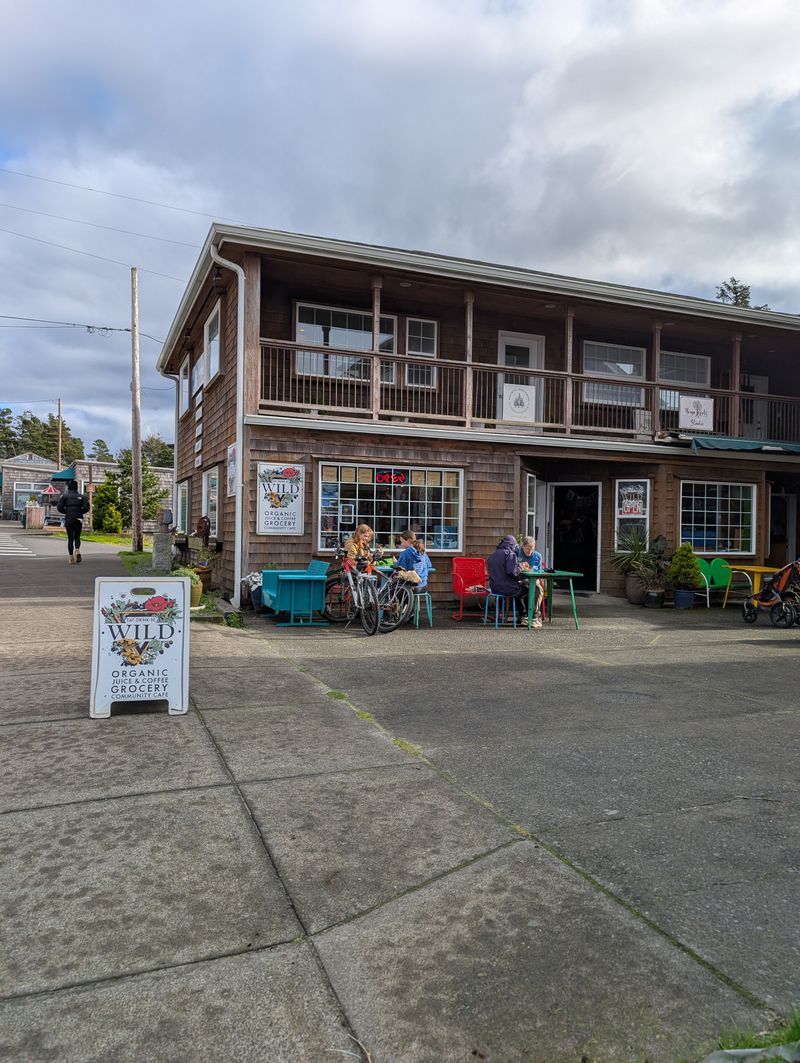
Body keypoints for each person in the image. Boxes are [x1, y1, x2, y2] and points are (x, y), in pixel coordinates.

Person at [486, 534, 527, 624]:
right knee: (528, 591)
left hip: (495, 589)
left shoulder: (493, 555)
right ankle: (526, 617)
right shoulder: (510, 554)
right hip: (507, 589)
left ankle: (520, 617)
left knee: (518, 590)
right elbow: (512, 572)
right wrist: (521, 567)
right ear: (512, 545)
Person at [56, 479, 90, 565]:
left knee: (70, 538)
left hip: (69, 518)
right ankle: (77, 550)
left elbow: (59, 508)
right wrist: (80, 512)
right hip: (78, 518)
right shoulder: (83, 497)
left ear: (68, 487)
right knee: (77, 536)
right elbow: (87, 508)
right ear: (76, 487)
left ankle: (71, 558)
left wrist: (66, 512)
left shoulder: (64, 497)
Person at [516, 535, 544, 628]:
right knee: (518, 589)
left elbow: (539, 572)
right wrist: (519, 566)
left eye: (532, 548)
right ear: (523, 546)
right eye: (528, 548)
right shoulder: (517, 553)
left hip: (532, 579)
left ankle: (534, 616)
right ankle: (524, 615)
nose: (530, 551)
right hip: (519, 579)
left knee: (538, 589)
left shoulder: (537, 556)